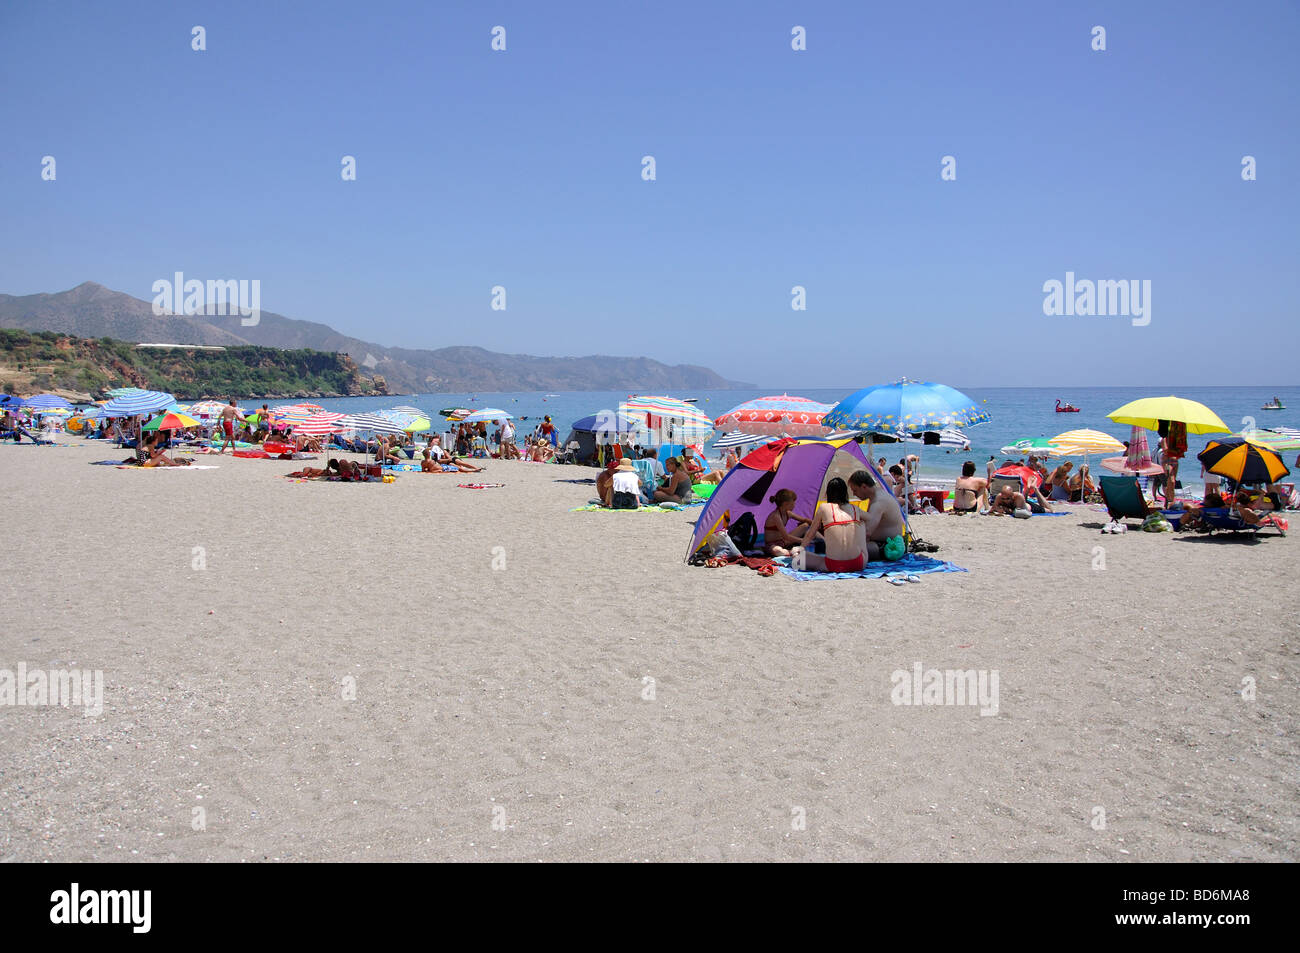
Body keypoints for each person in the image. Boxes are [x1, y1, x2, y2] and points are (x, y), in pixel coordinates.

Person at [790, 478, 868, 572]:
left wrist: (801, 548)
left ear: (828, 493)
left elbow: (810, 534)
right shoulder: (855, 509)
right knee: (862, 524)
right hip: (858, 564)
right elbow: (872, 518)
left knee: (797, 558)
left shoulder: (823, 508)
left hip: (833, 565)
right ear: (845, 493)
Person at [847, 469, 907, 562]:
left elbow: (867, 531)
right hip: (884, 542)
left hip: (888, 546)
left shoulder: (878, 502)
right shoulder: (878, 495)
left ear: (864, 487)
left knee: (848, 550)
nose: (854, 494)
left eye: (855, 490)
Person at [763, 489, 812, 557]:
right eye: (793, 503)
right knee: (778, 551)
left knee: (806, 525)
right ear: (785, 504)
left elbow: (804, 519)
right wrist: (802, 540)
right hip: (772, 544)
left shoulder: (788, 513)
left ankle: (824, 541)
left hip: (783, 541)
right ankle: (790, 552)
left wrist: (816, 523)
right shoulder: (776, 516)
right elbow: (786, 536)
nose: (794, 505)